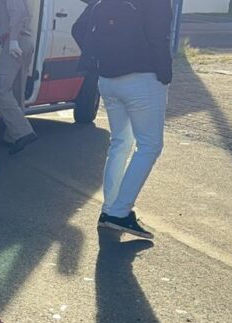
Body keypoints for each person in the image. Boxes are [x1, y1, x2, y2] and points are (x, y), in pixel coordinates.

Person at [72, 0, 173, 240]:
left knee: (120, 143)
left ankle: (110, 210)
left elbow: (78, 28)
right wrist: (165, 74)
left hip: (107, 79)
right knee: (149, 146)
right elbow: (159, 37)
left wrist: (100, 56)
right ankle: (119, 212)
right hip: (143, 78)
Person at [0, 0, 38, 154]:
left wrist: (12, 41)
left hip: (15, 44)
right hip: (25, 42)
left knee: (1, 90)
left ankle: (23, 132)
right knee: (17, 90)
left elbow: (18, 13)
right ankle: (12, 136)